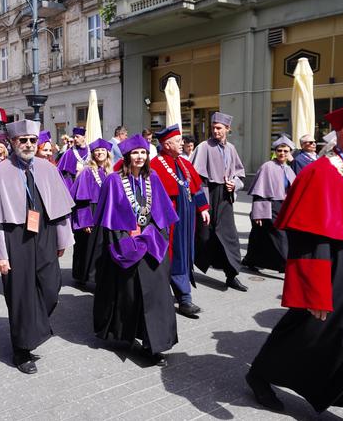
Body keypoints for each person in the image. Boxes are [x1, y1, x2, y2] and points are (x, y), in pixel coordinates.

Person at [247, 101, 343, 420]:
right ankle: (260, 373)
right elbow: (308, 240)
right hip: (334, 271)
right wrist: (314, 292)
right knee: (306, 331)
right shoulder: (318, 173)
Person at [0, 119, 75, 374]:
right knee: (20, 296)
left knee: (52, 286)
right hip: (13, 238)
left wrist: (62, 239)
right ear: (12, 142)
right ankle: (21, 350)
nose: (29, 144)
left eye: (32, 140)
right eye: (23, 140)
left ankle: (36, 325)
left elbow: (61, 209)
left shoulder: (47, 168)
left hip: (44, 234)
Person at [93, 134, 179, 366]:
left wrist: (153, 236)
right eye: (135, 153)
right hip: (125, 243)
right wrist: (124, 241)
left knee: (157, 293)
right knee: (131, 294)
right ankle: (127, 335)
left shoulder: (154, 178)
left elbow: (162, 216)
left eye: (143, 152)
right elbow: (108, 218)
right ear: (127, 155)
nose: (140, 157)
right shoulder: (113, 180)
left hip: (152, 242)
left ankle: (155, 345)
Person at [151, 125, 210, 317]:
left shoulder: (183, 163)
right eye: (178, 141)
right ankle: (184, 298)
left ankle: (181, 293)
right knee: (174, 255)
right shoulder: (155, 165)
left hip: (187, 218)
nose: (182, 143)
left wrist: (203, 208)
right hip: (169, 221)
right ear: (167, 144)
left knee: (185, 254)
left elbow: (196, 187)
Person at [190, 112, 247, 291]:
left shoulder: (231, 148)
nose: (215, 131)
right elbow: (196, 179)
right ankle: (187, 268)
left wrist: (234, 184)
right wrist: (202, 206)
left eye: (219, 128)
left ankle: (232, 275)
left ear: (227, 129)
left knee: (229, 236)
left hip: (224, 197)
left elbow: (239, 174)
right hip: (208, 195)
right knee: (203, 236)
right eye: (213, 127)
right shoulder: (203, 147)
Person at [242, 135, 296, 273]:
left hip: (283, 207)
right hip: (269, 206)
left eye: (285, 151)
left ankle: (251, 260)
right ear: (275, 151)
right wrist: (257, 214)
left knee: (260, 236)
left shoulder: (289, 169)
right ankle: (286, 264)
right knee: (280, 236)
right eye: (279, 150)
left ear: (290, 152)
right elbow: (259, 192)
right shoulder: (267, 166)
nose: (282, 153)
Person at [69, 138, 113, 285]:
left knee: (100, 246)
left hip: (105, 212)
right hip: (90, 212)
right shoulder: (87, 172)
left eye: (102, 150)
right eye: (97, 151)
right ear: (93, 154)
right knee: (86, 245)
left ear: (107, 153)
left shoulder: (109, 172)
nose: (100, 153)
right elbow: (81, 200)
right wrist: (85, 221)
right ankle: (84, 277)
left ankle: (96, 276)